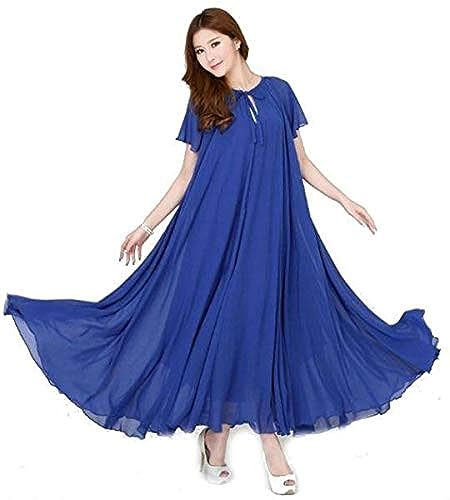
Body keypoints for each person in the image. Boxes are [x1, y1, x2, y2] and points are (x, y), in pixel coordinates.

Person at [3, 7, 440, 496]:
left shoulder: (279, 92)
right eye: (199, 50)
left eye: (214, 43)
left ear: (236, 40)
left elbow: (300, 162)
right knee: (221, 322)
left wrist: (344, 199)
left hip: (273, 232)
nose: (208, 56)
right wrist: (146, 226)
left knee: (268, 320)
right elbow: (186, 176)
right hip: (211, 232)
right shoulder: (203, 102)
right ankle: (225, 431)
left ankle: (250, 434)